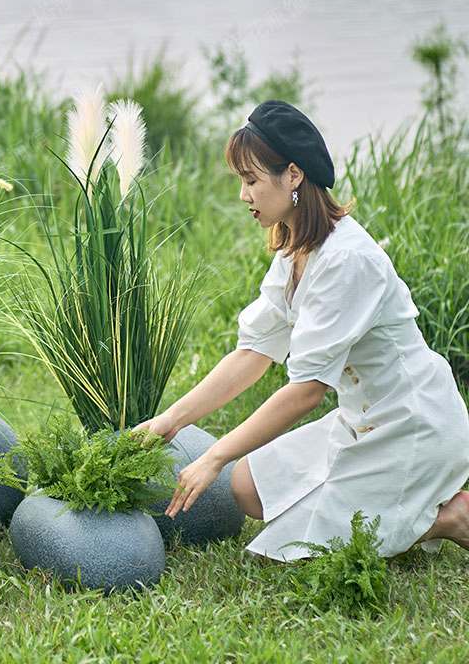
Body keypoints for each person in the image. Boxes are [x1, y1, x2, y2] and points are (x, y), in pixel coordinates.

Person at [135, 99, 469, 560]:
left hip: (413, 424)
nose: (243, 195)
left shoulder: (347, 259)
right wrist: (169, 422)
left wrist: (212, 456)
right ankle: (397, 504)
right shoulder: (295, 250)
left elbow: (308, 391)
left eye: (251, 180)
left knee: (294, 551)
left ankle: (446, 516)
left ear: (293, 174)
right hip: (359, 422)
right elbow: (253, 353)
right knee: (247, 488)